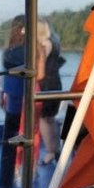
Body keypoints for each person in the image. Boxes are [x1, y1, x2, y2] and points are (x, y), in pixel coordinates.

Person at [0, 15, 26, 188]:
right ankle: (25, 175)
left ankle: (5, 185)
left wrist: (2, 93)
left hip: (13, 100)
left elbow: (5, 75)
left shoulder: (9, 51)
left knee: (9, 142)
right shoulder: (30, 50)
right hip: (27, 100)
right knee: (29, 138)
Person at [35, 17, 64, 165]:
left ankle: (50, 151)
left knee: (44, 119)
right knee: (51, 118)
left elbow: (39, 63)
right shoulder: (54, 41)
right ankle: (56, 149)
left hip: (46, 84)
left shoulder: (45, 45)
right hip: (55, 82)